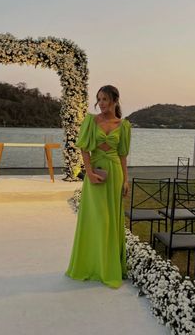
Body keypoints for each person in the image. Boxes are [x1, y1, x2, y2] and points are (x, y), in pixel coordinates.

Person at [65, 85, 131, 288]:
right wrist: (89, 173)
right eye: (99, 99)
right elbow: (84, 148)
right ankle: (91, 264)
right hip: (95, 173)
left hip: (115, 175)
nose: (101, 103)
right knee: (96, 219)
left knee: (111, 220)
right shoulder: (91, 121)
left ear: (115, 100)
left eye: (105, 99)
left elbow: (122, 155)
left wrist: (126, 180)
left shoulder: (124, 125)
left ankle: (108, 267)